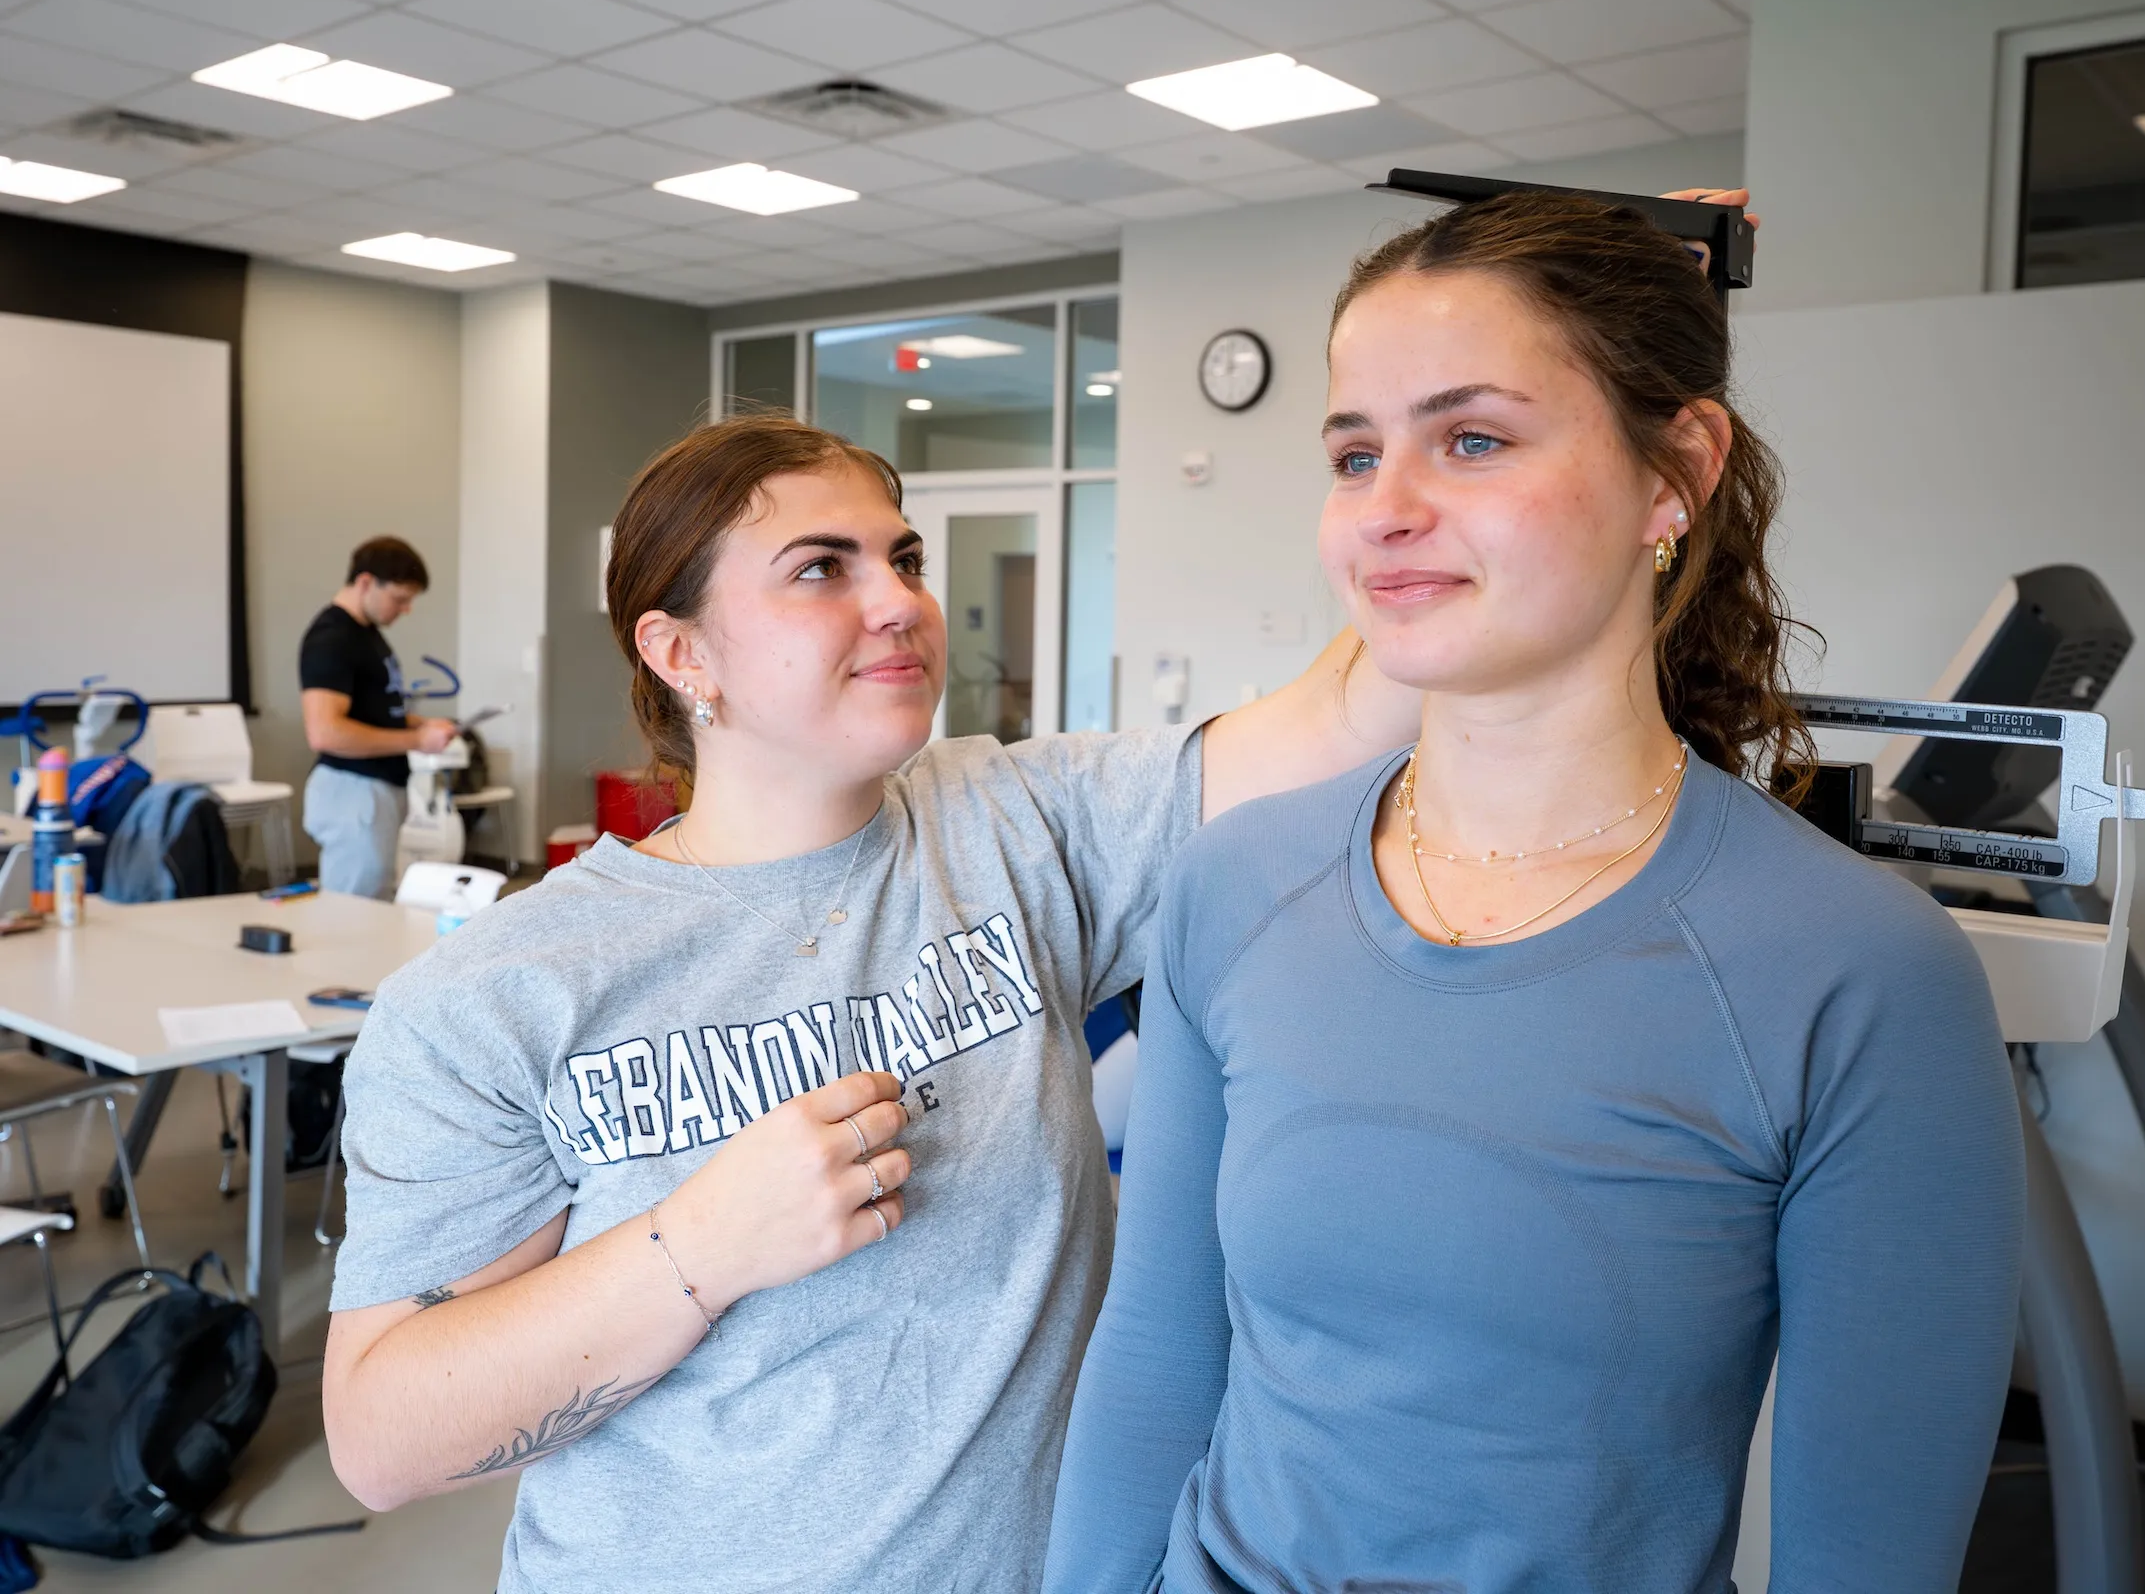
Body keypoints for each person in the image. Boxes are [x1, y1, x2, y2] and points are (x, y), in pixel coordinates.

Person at [1044, 192, 2027, 1592]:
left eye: (1473, 440)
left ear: (1676, 471)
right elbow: (1155, 1360)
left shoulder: (1859, 970)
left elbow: (1866, 1554)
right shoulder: (1235, 883)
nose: (1387, 511)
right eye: (1354, 454)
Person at [317, 416, 1426, 1594]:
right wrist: (699, 1248)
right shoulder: (499, 992)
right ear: (681, 652)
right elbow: (383, 1437)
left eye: (904, 559)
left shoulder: (1018, 824)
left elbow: (1341, 722)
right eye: (820, 568)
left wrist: (1407, 515)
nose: (900, 602)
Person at [300, 536, 454, 899]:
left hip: (373, 793)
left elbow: (374, 710)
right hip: (353, 793)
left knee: (373, 905)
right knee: (352, 913)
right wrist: (418, 740)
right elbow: (325, 732)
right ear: (366, 582)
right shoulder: (331, 637)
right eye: (399, 599)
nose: (405, 610)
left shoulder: (365, 635)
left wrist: (421, 725)